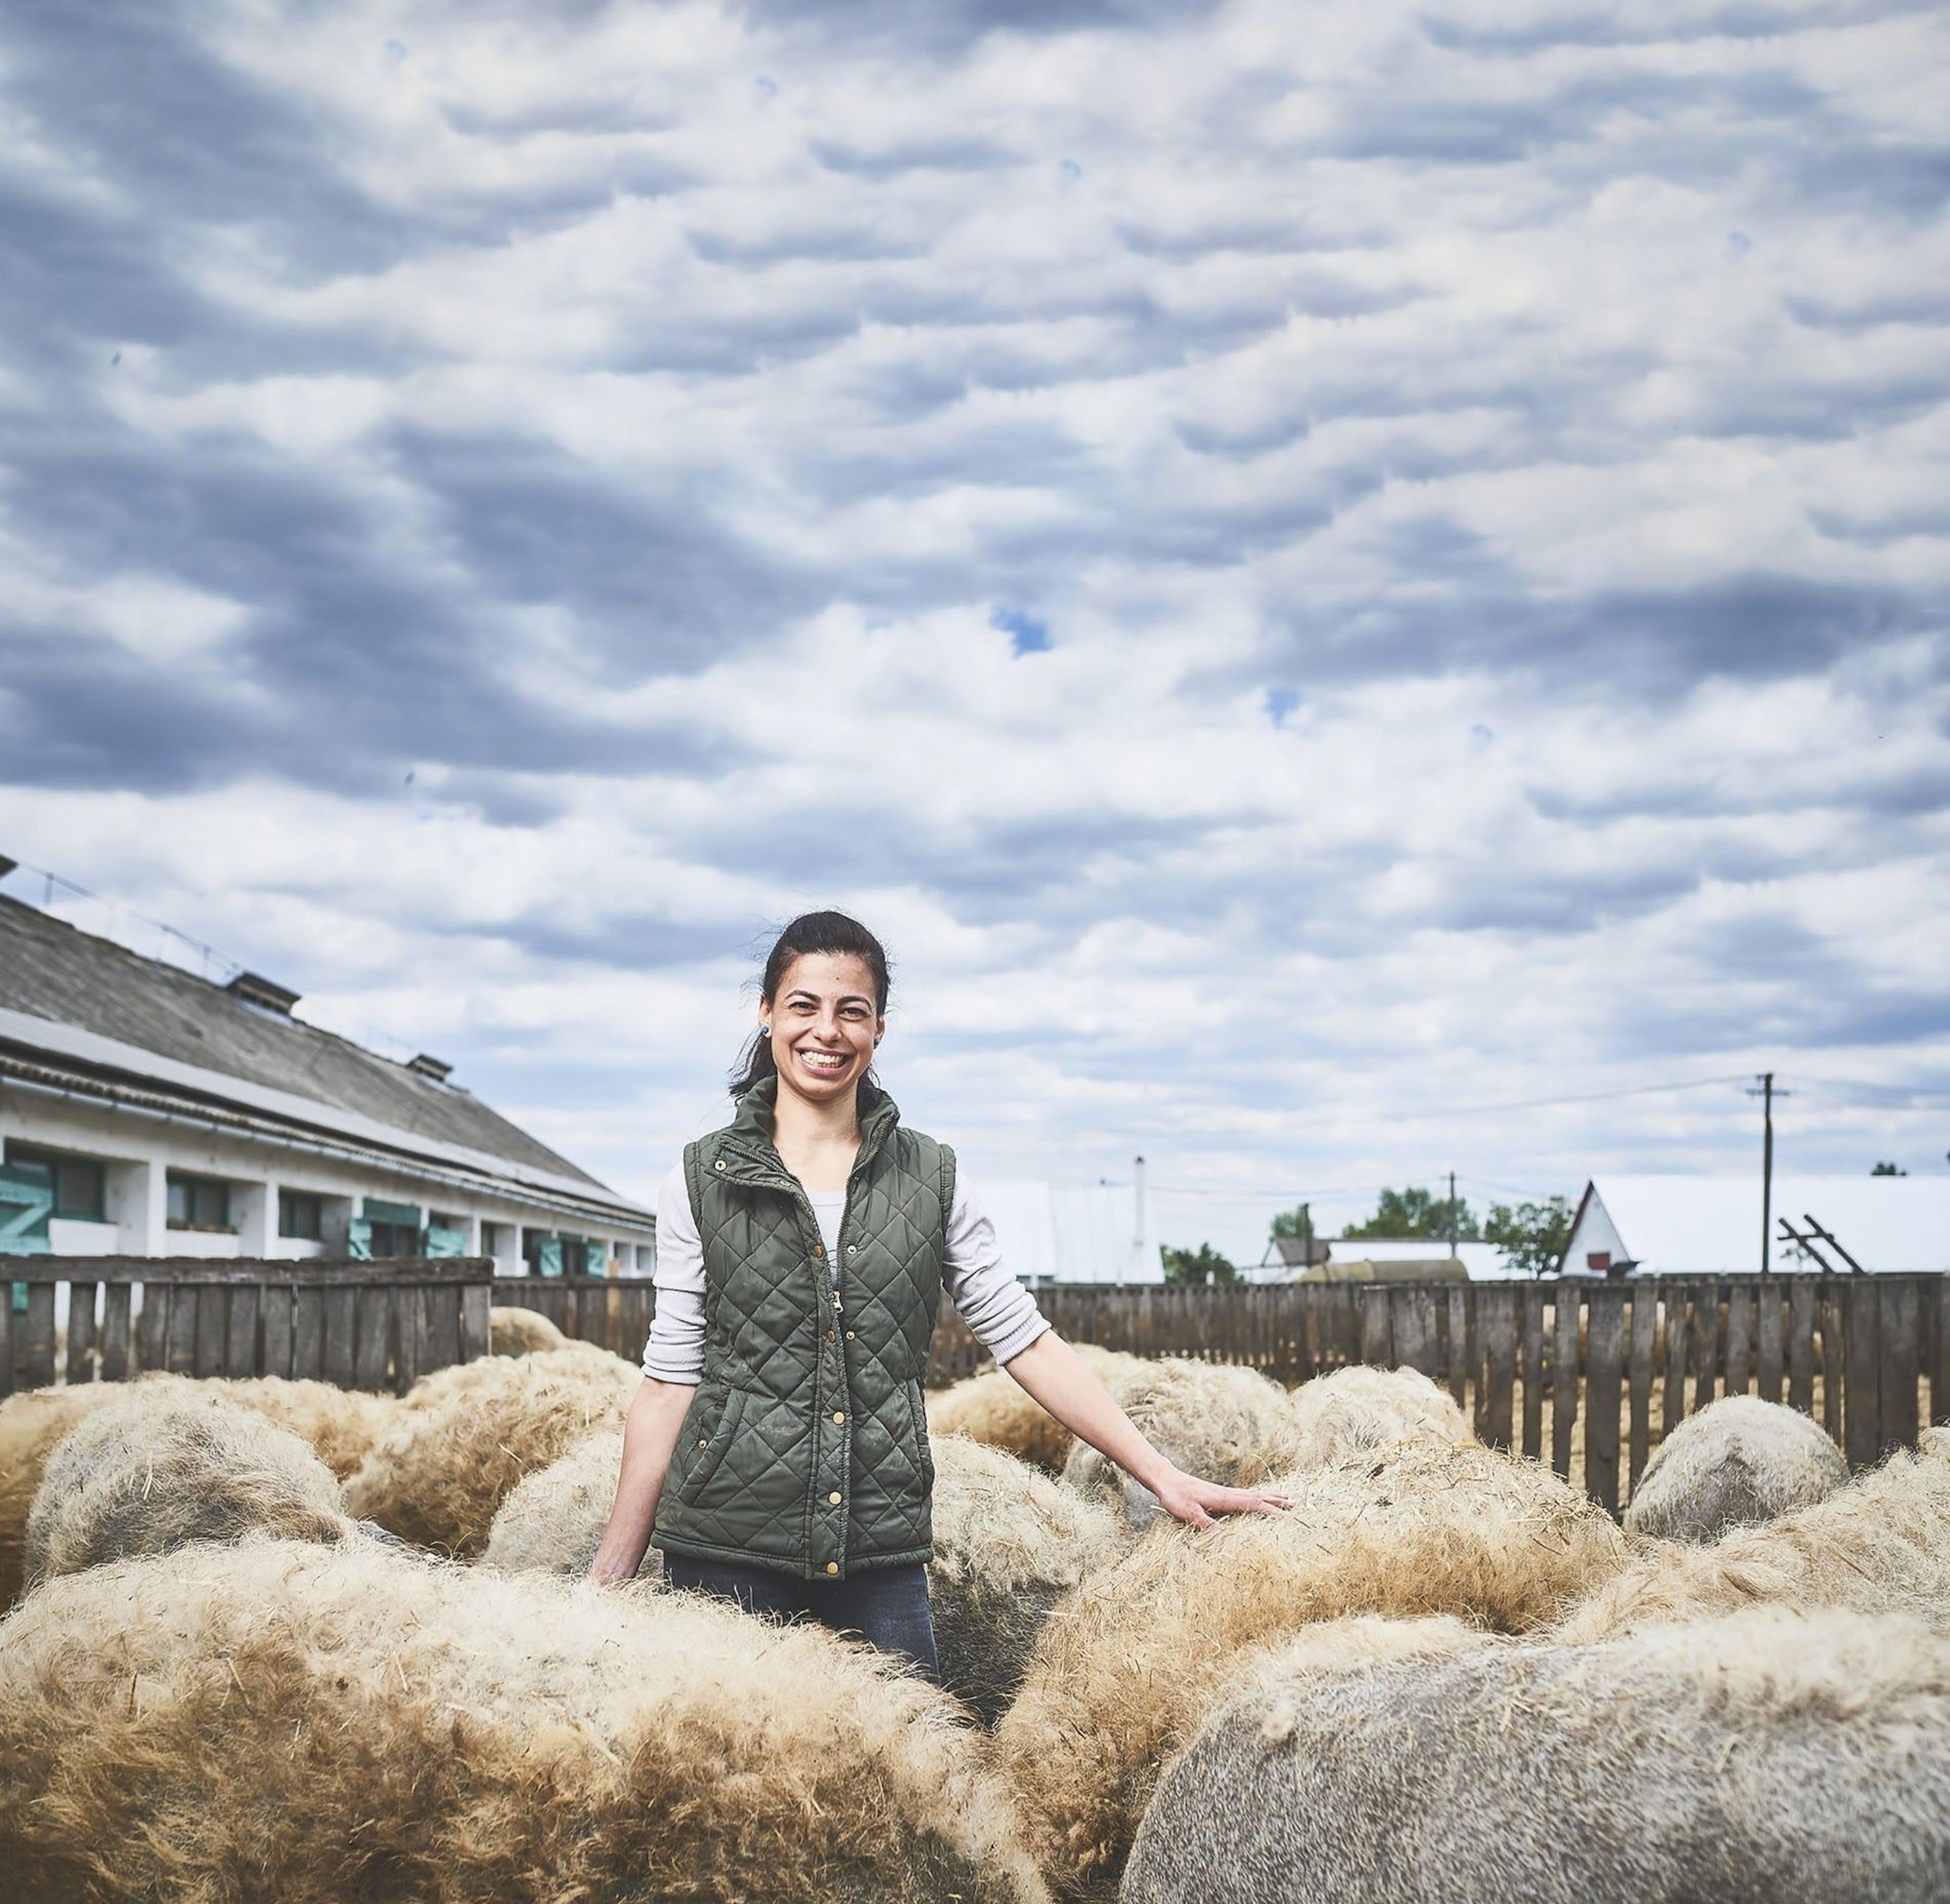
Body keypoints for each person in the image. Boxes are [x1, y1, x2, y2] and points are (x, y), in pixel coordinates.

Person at [590, 910, 1289, 1675]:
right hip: (724, 1548)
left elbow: (1024, 1338)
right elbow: (669, 1382)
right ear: (767, 1014)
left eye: (851, 1010)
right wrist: (607, 1582)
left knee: (914, 1779)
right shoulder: (698, 1179)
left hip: (878, 1550)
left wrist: (1162, 1473)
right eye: (803, 1005)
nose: (826, 1029)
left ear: (879, 1028)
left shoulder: (932, 1178)